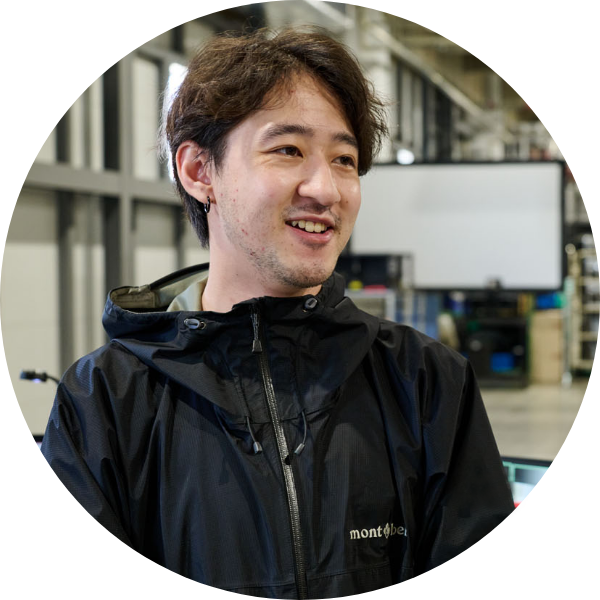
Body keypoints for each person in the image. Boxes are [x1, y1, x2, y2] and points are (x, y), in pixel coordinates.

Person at [41, 25, 516, 598]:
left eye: (344, 159)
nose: (327, 189)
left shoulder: (427, 382)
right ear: (199, 172)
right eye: (288, 150)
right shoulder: (103, 403)